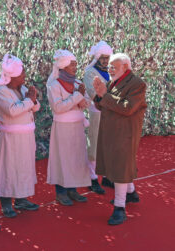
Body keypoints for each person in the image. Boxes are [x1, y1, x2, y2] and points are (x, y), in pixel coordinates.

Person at [93, 53, 147, 225]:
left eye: (113, 67)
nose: (110, 70)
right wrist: (99, 94)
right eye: (109, 66)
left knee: (120, 165)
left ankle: (119, 208)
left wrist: (105, 95)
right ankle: (131, 193)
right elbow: (101, 105)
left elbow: (128, 108)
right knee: (118, 164)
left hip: (126, 132)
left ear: (125, 67)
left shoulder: (137, 84)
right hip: (111, 131)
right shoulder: (112, 81)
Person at [0, 54, 40, 218]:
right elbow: (12, 111)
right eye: (22, 72)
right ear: (14, 75)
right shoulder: (0, 91)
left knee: (24, 167)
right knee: (8, 169)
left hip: (26, 137)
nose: (25, 75)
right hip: (10, 138)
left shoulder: (22, 89)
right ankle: (5, 203)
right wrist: (29, 101)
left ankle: (21, 199)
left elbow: (35, 107)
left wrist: (32, 100)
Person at [46, 49, 91, 206]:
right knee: (63, 158)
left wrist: (82, 100)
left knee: (76, 157)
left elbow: (85, 103)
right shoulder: (54, 85)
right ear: (63, 66)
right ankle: (61, 192)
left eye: (75, 64)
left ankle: (73, 190)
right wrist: (77, 98)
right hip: (63, 128)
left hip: (77, 127)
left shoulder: (77, 83)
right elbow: (58, 108)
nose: (75, 67)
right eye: (72, 64)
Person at [83, 41, 114, 194]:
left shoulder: (110, 71)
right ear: (97, 58)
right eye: (102, 58)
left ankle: (107, 175)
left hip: (110, 113)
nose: (105, 61)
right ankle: (92, 177)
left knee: (108, 144)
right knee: (94, 144)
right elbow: (93, 93)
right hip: (97, 111)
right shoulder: (90, 72)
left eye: (107, 57)